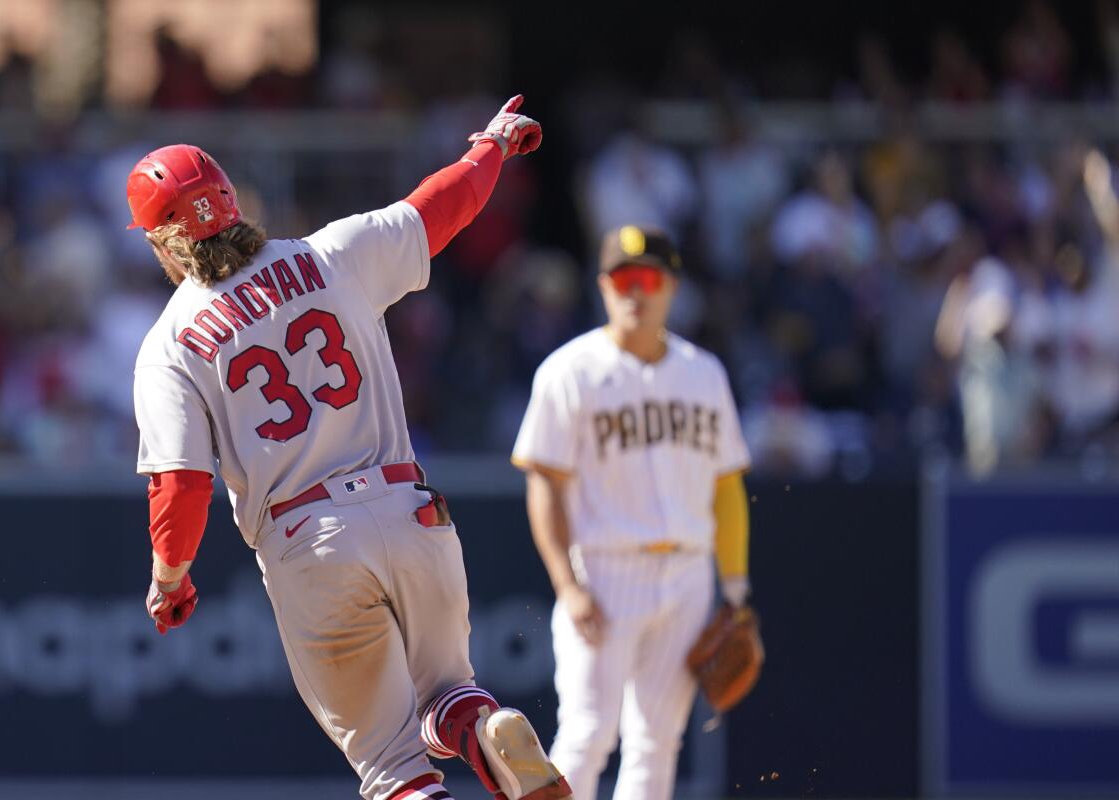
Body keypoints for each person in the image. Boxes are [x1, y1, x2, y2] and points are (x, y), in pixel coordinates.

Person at [128, 96, 572, 800]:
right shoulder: (330, 254)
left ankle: (462, 740)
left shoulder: (169, 345)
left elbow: (180, 486)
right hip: (408, 508)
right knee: (450, 695)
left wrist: (170, 578)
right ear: (231, 203)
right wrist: (492, 144)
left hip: (310, 541)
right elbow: (441, 208)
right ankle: (485, 728)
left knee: (393, 769)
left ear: (159, 242)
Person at [511, 225, 753, 800]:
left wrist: (736, 589)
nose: (634, 293)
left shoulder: (704, 373)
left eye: (646, 280)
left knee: (657, 741)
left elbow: (727, 488)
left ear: (670, 287)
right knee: (588, 734)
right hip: (605, 572)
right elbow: (543, 483)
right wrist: (567, 585)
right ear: (603, 286)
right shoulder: (569, 371)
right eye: (621, 280)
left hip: (689, 575)